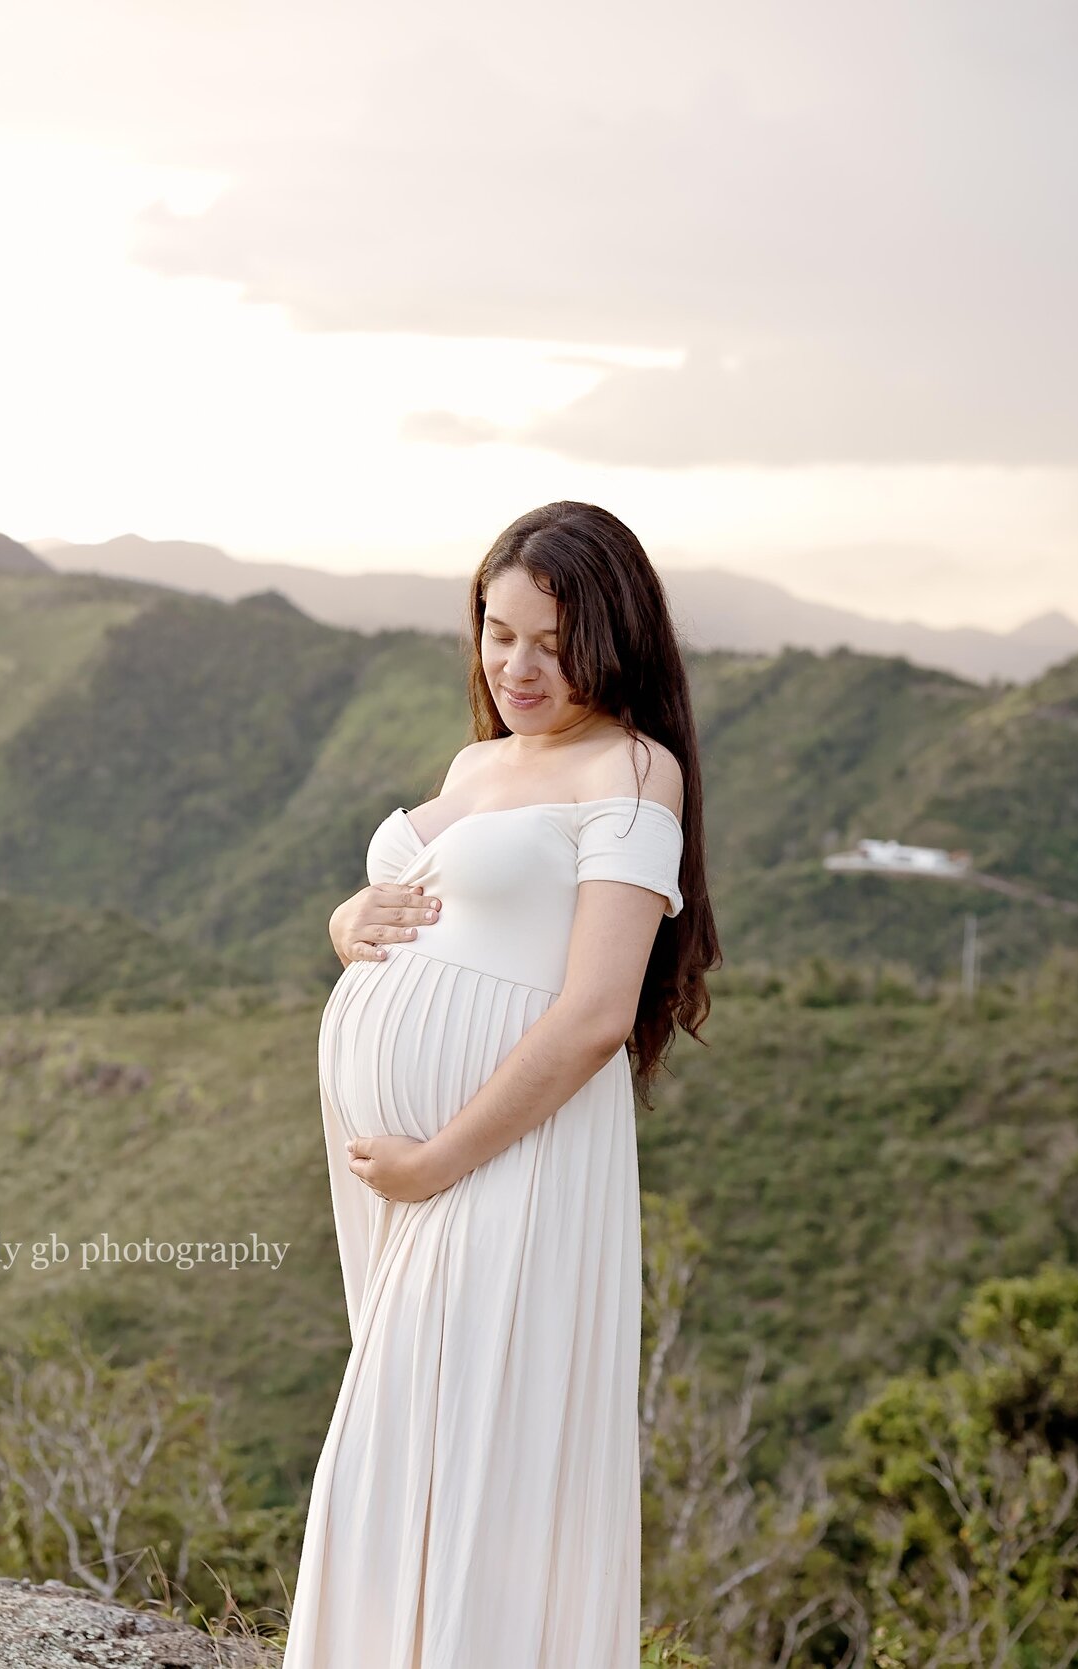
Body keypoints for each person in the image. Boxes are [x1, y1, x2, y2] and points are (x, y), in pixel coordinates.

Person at [282, 500, 721, 1667]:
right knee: (415, 1437)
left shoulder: (634, 770)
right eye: (497, 630)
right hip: (413, 1182)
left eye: (551, 639)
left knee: (442, 1447)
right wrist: (344, 922)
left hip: (503, 1165)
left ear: (615, 638)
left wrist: (433, 1160)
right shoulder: (477, 760)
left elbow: (588, 1014)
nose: (517, 665)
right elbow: (430, 910)